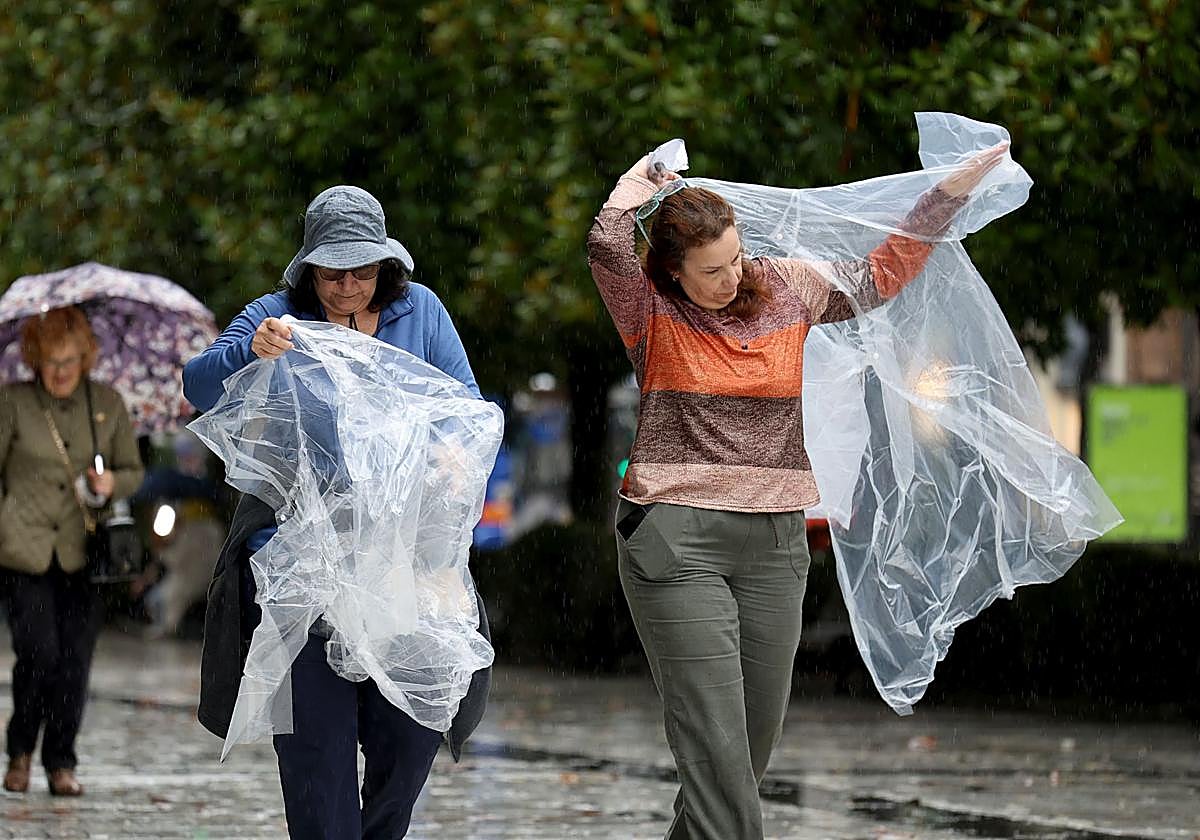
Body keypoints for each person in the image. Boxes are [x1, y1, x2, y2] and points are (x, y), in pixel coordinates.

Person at [587, 145, 1005, 839]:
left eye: (737, 258)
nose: (731, 278)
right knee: (714, 744)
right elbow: (606, 247)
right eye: (711, 271)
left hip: (774, 544)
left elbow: (879, 276)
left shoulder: (786, 287)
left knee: (745, 750)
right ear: (670, 272)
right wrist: (629, 189)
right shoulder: (651, 312)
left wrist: (946, 196)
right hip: (676, 539)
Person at [183, 185, 491, 840]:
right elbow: (199, 383)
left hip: (402, 573)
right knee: (317, 766)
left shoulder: (423, 313)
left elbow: (466, 407)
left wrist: (449, 457)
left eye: (362, 270)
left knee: (408, 745)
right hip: (299, 574)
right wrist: (250, 351)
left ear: (387, 265)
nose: (348, 286)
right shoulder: (276, 316)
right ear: (308, 268)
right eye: (332, 272)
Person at [0, 305, 144, 796]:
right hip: (25, 549)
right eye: (49, 362)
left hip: (88, 551)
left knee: (75, 660)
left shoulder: (106, 403)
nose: (59, 373)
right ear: (34, 361)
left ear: (85, 358)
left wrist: (110, 483)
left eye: (69, 361)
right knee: (39, 652)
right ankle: (19, 749)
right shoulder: (14, 402)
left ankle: (61, 760)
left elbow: (133, 470)